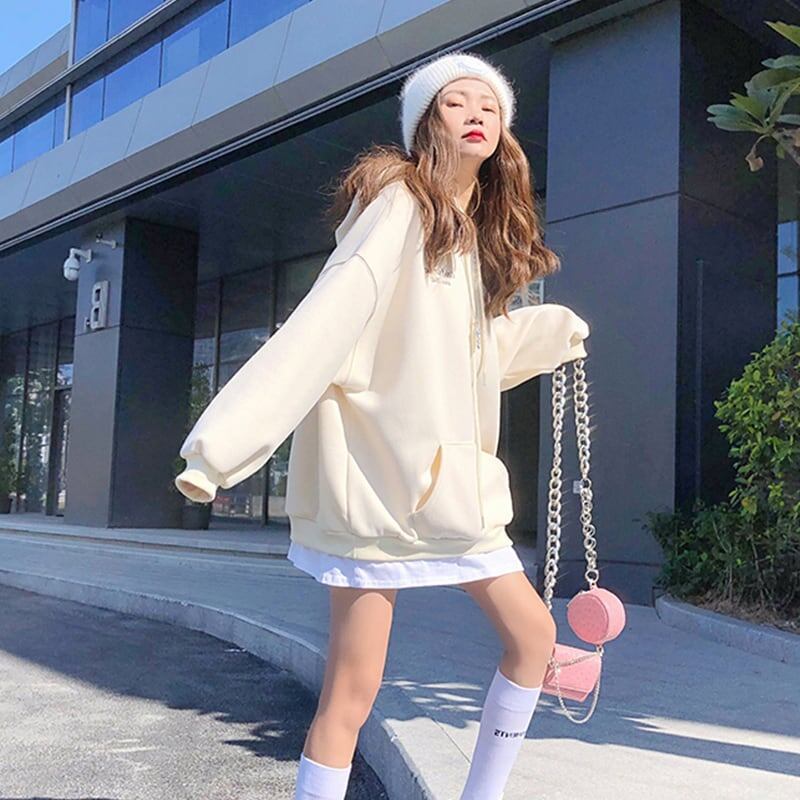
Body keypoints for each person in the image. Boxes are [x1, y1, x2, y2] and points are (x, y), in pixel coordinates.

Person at [174, 50, 590, 800]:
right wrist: (222, 447)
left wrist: (547, 333)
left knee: (533, 639)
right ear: (427, 122)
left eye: (489, 107)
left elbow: (459, 358)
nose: (476, 115)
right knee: (352, 689)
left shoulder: (466, 231)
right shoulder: (399, 205)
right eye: (456, 103)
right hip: (375, 487)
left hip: (453, 494)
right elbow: (324, 324)